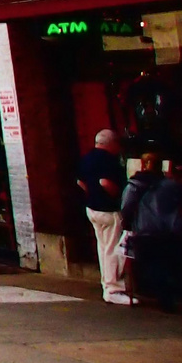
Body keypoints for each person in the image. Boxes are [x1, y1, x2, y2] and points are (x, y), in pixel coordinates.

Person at [133, 162, 182, 313]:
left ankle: (165, 300)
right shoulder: (171, 186)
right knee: (181, 265)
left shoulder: (141, 187)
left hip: (145, 231)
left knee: (157, 267)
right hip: (166, 231)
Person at [76, 128, 130, 305]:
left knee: (103, 248)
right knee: (113, 248)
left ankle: (106, 284)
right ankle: (114, 288)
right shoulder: (110, 161)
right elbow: (106, 183)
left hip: (92, 208)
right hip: (108, 209)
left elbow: (80, 182)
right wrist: (116, 196)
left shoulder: (87, 158)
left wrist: (92, 194)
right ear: (112, 144)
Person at [119, 151, 166, 302]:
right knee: (162, 258)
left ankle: (145, 289)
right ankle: (163, 292)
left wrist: (126, 222)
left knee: (141, 258)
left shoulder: (135, 184)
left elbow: (127, 206)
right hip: (164, 227)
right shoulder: (166, 183)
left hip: (142, 227)